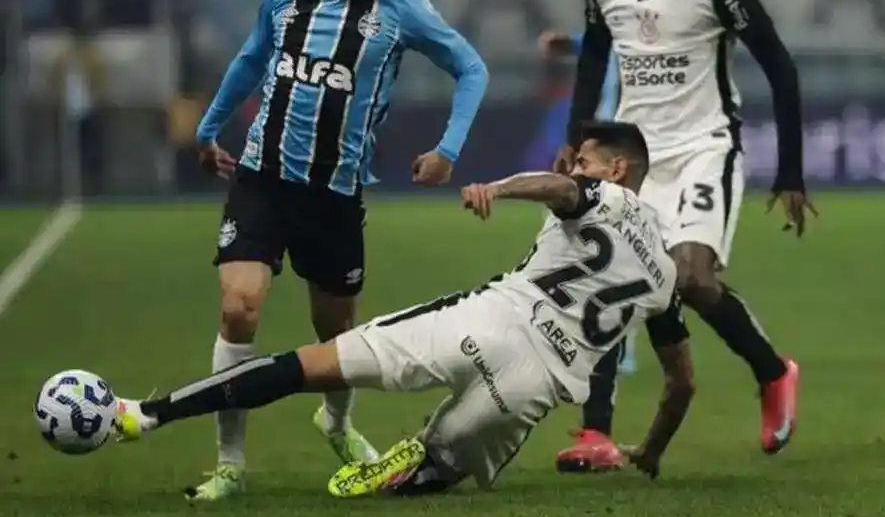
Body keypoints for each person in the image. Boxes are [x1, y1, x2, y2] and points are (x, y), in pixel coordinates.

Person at [112, 121, 695, 495]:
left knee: (307, 367)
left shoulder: (606, 196)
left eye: (585, 161)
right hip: (531, 388)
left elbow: (559, 188)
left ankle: (150, 414)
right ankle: (424, 460)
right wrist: (651, 450)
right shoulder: (665, 276)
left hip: (489, 321)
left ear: (616, 170)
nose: (575, 169)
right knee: (437, 468)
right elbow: (681, 382)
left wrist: (499, 188)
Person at [188, 0, 489, 501]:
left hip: (334, 194)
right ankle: (229, 464)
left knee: (336, 335)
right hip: (263, 178)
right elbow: (251, 58)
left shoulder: (401, 8)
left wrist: (448, 149)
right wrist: (208, 128)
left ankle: (335, 421)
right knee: (239, 307)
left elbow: (471, 68)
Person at [552, 0, 816, 472]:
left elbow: (780, 67)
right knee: (611, 281)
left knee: (692, 280)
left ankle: (773, 372)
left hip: (703, 149)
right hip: (633, 160)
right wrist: (576, 141)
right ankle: (595, 434)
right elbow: (593, 60)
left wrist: (791, 172)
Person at [536, 0, 639, 376]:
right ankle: (597, 332)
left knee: (620, 234)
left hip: (641, 130)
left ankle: (614, 338)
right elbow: (610, 41)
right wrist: (576, 44)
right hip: (606, 123)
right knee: (589, 230)